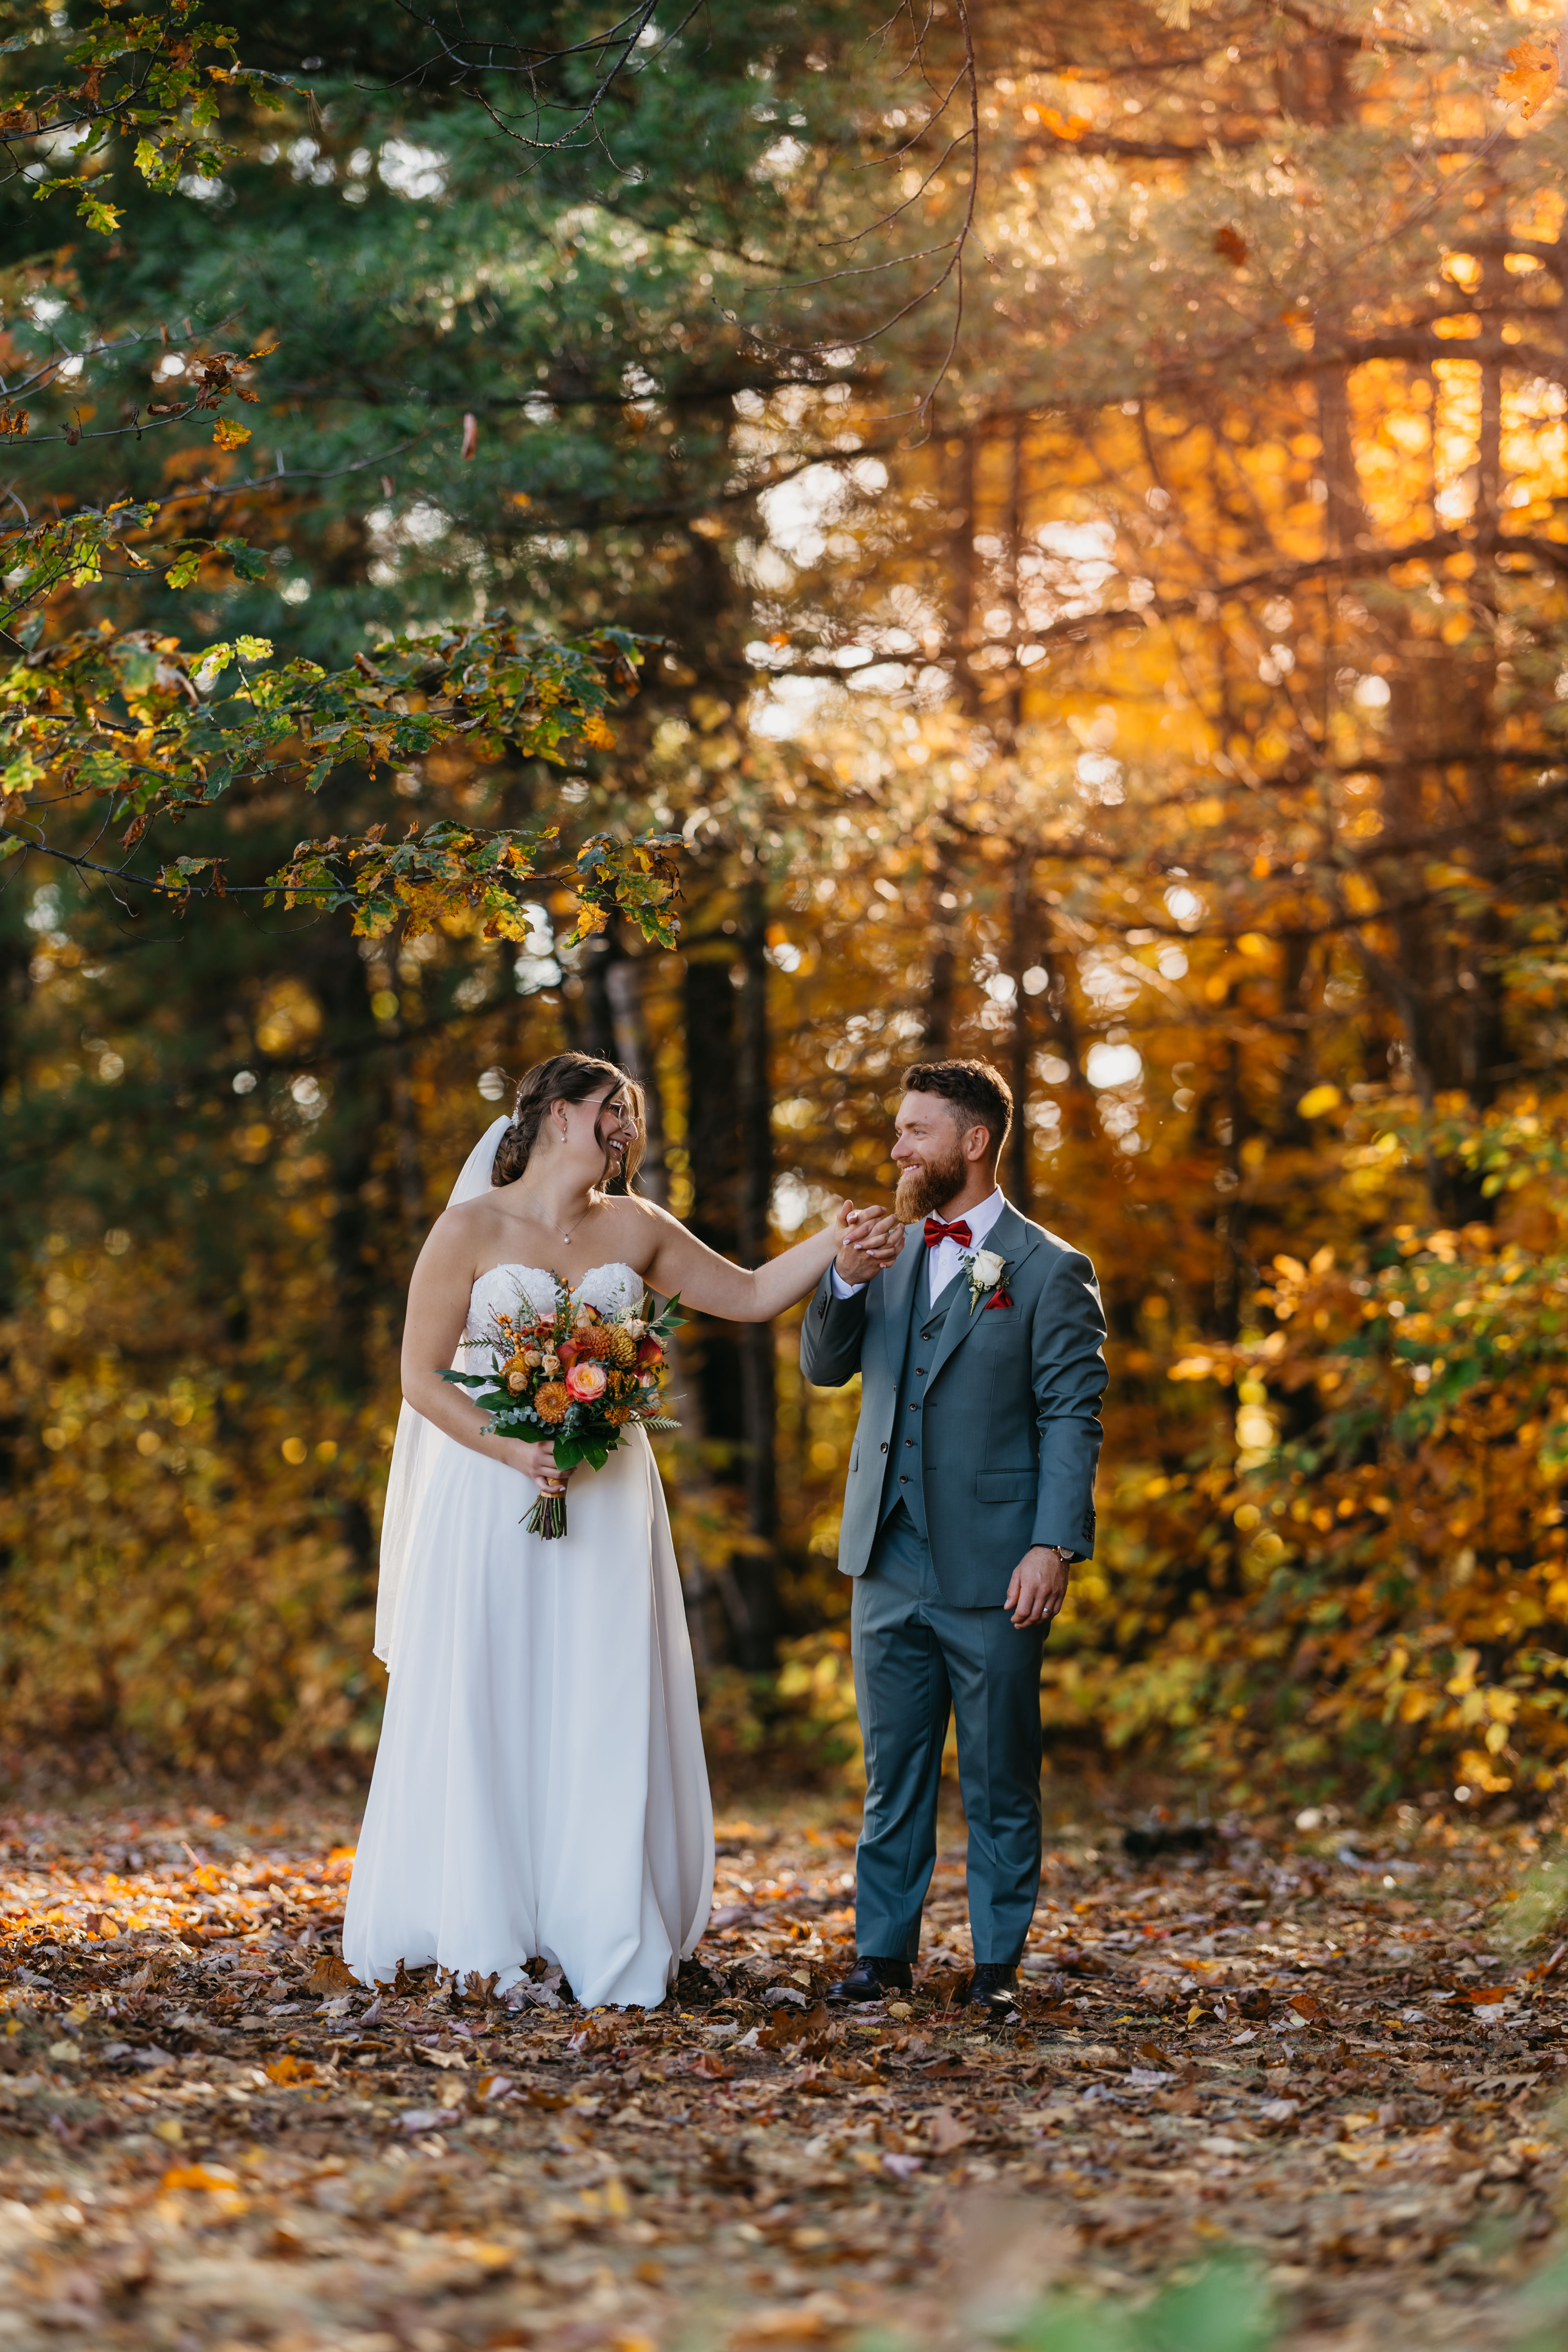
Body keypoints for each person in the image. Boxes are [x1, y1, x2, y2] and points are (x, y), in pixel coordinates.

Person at [343, 1051, 902, 2009]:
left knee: (601, 1692)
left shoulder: (637, 1226)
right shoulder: (469, 1228)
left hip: (607, 1495)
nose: (624, 1129)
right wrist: (512, 1449)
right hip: (492, 1492)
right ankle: (487, 1919)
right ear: (557, 1114)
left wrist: (835, 1240)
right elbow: (420, 1378)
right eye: (612, 1109)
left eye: (631, 1115)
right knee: (495, 1690)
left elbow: (751, 1293)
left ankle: (601, 1922)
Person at [798, 1058, 1107, 2020]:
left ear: (972, 1142)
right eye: (898, 1130)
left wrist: (1052, 1544)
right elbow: (822, 1368)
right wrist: (843, 1281)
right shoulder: (883, 1251)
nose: (896, 1148)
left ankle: (996, 1968)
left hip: (997, 1562)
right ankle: (881, 1958)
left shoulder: (1048, 1268)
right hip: (884, 1554)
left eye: (914, 1131)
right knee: (891, 1773)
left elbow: (1071, 1415)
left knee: (999, 1776)